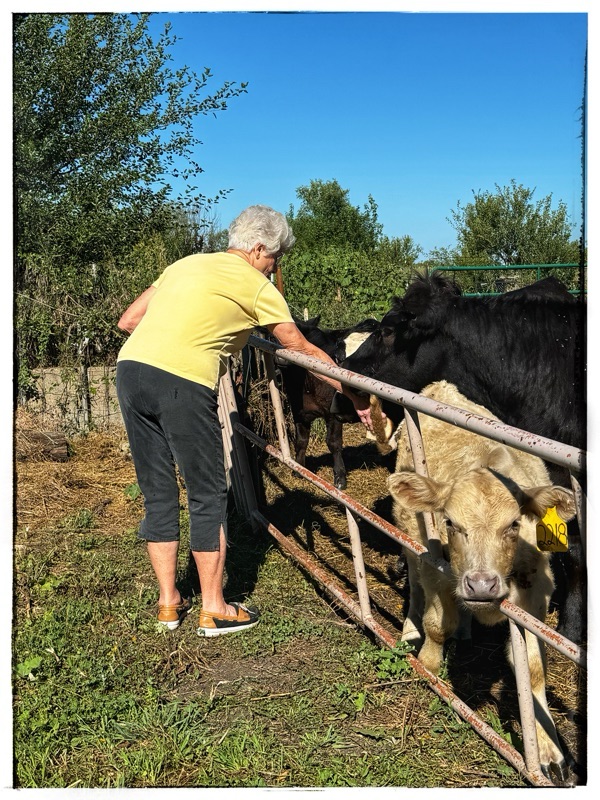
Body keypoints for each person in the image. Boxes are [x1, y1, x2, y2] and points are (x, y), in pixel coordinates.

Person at [116, 204, 376, 637]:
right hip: (182, 381)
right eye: (274, 260)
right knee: (207, 492)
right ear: (258, 249)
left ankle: (168, 604)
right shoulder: (255, 284)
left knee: (157, 488)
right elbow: (301, 348)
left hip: (130, 371)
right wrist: (353, 390)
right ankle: (215, 608)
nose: (274, 269)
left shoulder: (186, 264)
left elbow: (129, 320)